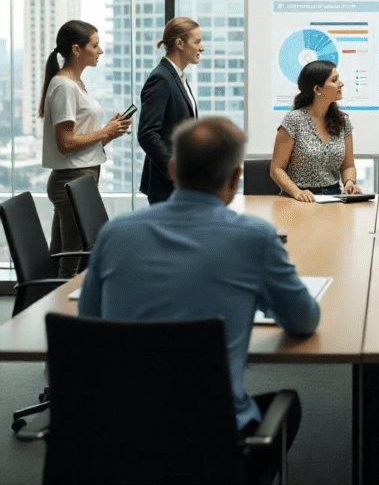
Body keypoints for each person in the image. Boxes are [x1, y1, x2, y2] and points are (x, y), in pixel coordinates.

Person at [79, 116, 320, 484]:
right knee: (289, 405)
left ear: (173, 169)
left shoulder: (114, 233)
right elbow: (304, 321)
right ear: (236, 177)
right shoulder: (254, 238)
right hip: (212, 439)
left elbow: (90, 322)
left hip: (117, 431)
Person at [39, 20, 131, 277]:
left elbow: (79, 141)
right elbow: (65, 143)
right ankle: (62, 310)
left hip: (80, 176)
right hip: (72, 180)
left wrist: (109, 133)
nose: (100, 51)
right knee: (73, 256)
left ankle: (52, 307)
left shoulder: (75, 84)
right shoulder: (64, 86)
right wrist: (104, 131)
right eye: (95, 45)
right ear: (76, 49)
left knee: (65, 254)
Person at [270, 60, 363, 202]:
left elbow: (348, 166)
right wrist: (297, 192)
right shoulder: (294, 120)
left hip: (334, 197)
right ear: (317, 89)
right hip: (298, 199)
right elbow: (276, 169)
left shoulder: (343, 121)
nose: (341, 83)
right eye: (334, 80)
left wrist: (349, 183)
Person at [138, 16, 204, 204]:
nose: (202, 47)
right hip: (167, 187)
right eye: (197, 41)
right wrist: (174, 172)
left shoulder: (177, 77)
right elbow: (147, 134)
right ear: (179, 43)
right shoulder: (161, 79)